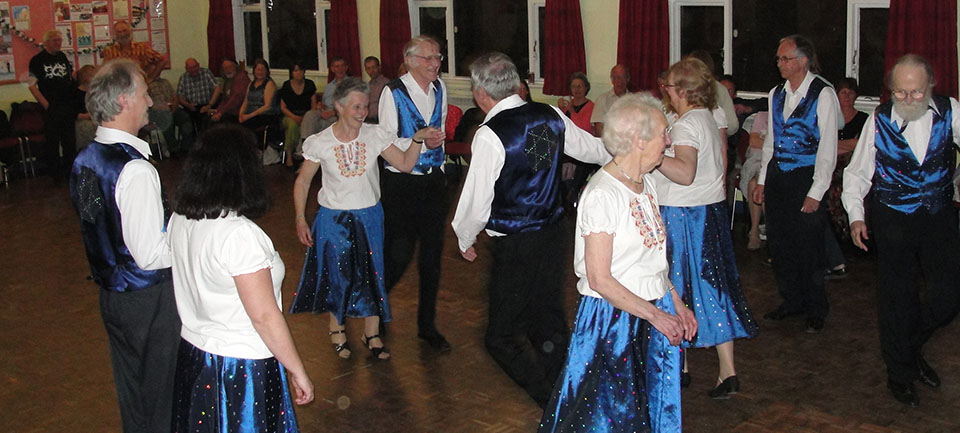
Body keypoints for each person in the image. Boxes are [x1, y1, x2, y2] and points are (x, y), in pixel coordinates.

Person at [451, 52, 612, 408]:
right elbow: (591, 150)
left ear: (480, 92)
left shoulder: (491, 134)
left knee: (501, 337)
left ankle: (550, 399)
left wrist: (465, 237)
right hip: (553, 236)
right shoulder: (546, 114)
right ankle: (570, 398)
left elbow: (478, 197)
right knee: (547, 324)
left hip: (518, 243)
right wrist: (624, 156)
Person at [538, 92, 697, 433]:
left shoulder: (646, 184)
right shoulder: (602, 194)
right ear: (638, 140)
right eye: (663, 134)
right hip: (612, 322)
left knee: (646, 412)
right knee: (605, 418)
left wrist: (676, 304)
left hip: (649, 313)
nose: (668, 142)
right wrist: (656, 315)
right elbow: (599, 279)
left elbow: (653, 260)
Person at [167, 124, 314, 431]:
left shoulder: (181, 218)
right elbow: (263, 316)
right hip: (241, 366)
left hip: (195, 355)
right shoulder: (239, 235)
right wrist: (296, 369)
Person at [68, 59, 180, 433]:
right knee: (162, 393)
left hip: (111, 295)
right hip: (148, 298)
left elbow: (96, 225)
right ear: (123, 101)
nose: (150, 101)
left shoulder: (86, 159)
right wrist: (188, 236)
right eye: (144, 93)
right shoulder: (135, 170)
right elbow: (149, 255)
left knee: (132, 391)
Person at [842, 54, 960, 407]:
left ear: (930, 88)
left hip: (937, 215)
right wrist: (855, 217)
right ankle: (900, 373)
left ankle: (910, 348)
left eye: (917, 92)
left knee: (948, 297)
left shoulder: (950, 110)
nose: (910, 100)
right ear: (892, 90)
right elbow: (858, 172)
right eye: (902, 93)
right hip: (893, 216)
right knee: (897, 300)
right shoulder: (878, 121)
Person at [289, 78, 431, 360]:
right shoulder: (321, 142)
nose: (362, 112)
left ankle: (372, 331)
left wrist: (416, 141)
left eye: (365, 106)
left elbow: (404, 164)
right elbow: (303, 182)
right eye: (356, 106)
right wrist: (300, 219)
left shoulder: (375, 135)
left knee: (372, 272)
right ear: (339, 106)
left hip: (369, 216)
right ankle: (337, 328)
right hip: (332, 218)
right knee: (337, 273)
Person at [653, 57, 758, 399]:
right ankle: (726, 371)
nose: (665, 91)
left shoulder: (685, 125)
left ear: (681, 91)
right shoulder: (707, 118)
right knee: (713, 287)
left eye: (668, 86)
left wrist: (651, 156)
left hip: (684, 217)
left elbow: (684, 173)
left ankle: (678, 367)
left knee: (677, 289)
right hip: (707, 212)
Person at [752, 34, 840, 334]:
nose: (779, 63)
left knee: (809, 246)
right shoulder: (776, 93)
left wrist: (817, 191)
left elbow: (828, 147)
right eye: (778, 58)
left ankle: (816, 307)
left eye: (784, 58)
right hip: (780, 175)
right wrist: (763, 179)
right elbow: (771, 143)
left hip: (806, 176)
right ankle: (792, 300)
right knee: (780, 242)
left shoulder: (823, 94)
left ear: (802, 60)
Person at [377, 35, 450, 351]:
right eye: (429, 58)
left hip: (434, 182)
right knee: (398, 255)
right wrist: (418, 141)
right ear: (410, 60)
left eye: (438, 58)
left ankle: (427, 325)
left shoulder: (441, 89)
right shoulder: (392, 93)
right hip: (402, 185)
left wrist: (436, 145)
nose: (435, 64)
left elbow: (441, 128)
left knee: (432, 259)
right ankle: (375, 311)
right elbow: (385, 142)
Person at [823, 78, 868, 278]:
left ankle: (844, 240)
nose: (847, 96)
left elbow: (860, 147)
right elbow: (822, 145)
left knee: (837, 188)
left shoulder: (864, 119)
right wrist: (845, 144)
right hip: (829, 164)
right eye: (843, 92)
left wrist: (837, 146)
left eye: (851, 92)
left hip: (851, 165)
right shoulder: (830, 117)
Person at [29, 29, 77, 182]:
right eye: (55, 40)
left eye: (60, 40)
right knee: (53, 143)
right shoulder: (37, 60)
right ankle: (55, 175)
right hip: (51, 107)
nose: (59, 43)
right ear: (47, 42)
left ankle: (70, 172)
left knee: (70, 141)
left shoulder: (62, 57)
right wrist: (46, 105)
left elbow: (70, 78)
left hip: (66, 106)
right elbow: (32, 86)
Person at [557, 72, 596, 208]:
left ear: (586, 88)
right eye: (574, 86)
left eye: (580, 86)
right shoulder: (567, 105)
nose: (577, 89)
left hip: (582, 148)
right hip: (566, 149)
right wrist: (561, 109)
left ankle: (572, 197)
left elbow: (583, 129)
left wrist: (572, 111)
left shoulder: (591, 106)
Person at [278, 60, 318, 167]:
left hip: (306, 115)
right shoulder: (286, 85)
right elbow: (283, 107)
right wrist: (294, 117)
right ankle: (289, 154)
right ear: (291, 73)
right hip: (289, 115)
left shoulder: (310, 84)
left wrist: (306, 117)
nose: (298, 73)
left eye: (300, 70)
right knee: (292, 125)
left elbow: (313, 105)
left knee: (309, 125)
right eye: (295, 70)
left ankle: (303, 154)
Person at [102, 20, 168, 83]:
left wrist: (151, 78)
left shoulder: (142, 48)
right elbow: (105, 71)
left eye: (125, 31)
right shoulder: (109, 51)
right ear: (115, 35)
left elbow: (162, 60)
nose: (122, 34)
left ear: (130, 32)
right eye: (119, 32)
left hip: (140, 85)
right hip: (119, 86)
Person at [740, 111, 768, 250]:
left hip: (775, 162)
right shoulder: (762, 117)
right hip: (756, 161)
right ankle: (755, 229)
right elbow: (754, 141)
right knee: (753, 182)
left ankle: (762, 229)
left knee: (759, 183)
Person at [203, 58, 250, 124]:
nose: (228, 69)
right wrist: (217, 110)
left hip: (238, 112)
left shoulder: (241, 78)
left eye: (230, 67)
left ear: (235, 67)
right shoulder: (227, 81)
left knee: (214, 122)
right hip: (229, 111)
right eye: (225, 68)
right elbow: (224, 100)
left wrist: (221, 113)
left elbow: (236, 99)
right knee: (207, 117)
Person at [239, 58, 279, 132]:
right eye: (258, 69)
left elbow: (267, 106)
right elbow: (246, 101)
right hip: (250, 114)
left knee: (247, 125)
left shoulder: (269, 84)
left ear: (266, 71)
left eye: (262, 70)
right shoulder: (251, 83)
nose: (260, 72)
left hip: (265, 115)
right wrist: (241, 114)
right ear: (254, 71)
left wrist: (249, 116)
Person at [176, 58, 217, 130]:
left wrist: (209, 105)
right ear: (186, 69)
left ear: (198, 65)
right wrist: (187, 105)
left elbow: (217, 88)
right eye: (190, 68)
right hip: (190, 107)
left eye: (194, 67)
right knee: (187, 122)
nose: (193, 70)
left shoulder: (206, 73)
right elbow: (180, 96)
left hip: (206, 105)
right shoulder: (183, 78)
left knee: (207, 120)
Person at [591, 64, 631, 137]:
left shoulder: (634, 101)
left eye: (623, 77)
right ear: (612, 80)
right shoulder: (602, 100)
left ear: (628, 79)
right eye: (617, 78)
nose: (620, 81)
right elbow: (599, 128)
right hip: (608, 143)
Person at [74, 65, 97, 149]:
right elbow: (75, 114)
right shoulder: (75, 94)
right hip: (83, 123)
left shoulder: (94, 93)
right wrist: (90, 116)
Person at [364, 56, 390, 123]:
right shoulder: (367, 85)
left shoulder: (386, 83)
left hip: (380, 120)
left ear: (379, 67)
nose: (371, 71)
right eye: (368, 68)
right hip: (367, 120)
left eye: (373, 67)